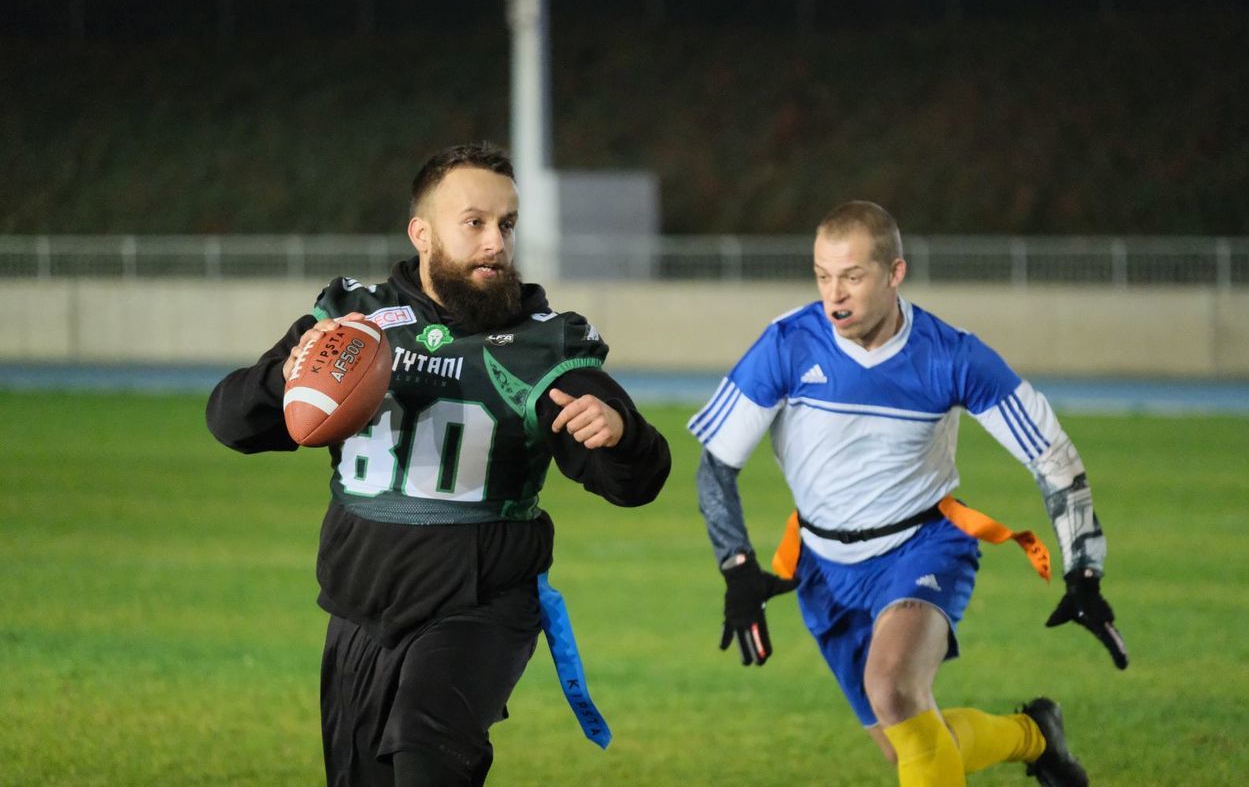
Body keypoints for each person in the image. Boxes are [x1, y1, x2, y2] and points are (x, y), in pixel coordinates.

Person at [206, 143, 671, 787]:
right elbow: (231, 423)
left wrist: (620, 436)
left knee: (429, 755)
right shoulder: (352, 321)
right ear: (421, 234)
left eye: (506, 224)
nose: (494, 243)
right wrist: (285, 377)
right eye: (474, 222)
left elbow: (637, 482)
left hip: (480, 600)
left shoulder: (544, 343)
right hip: (362, 602)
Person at [689, 201, 1126, 786]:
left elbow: (1051, 455)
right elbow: (715, 466)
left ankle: (1035, 736)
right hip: (822, 567)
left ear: (895, 273)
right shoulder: (788, 345)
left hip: (922, 548)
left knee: (893, 687)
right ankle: (1036, 736)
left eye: (852, 276)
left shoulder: (951, 355)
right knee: (908, 745)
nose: (834, 295)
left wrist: (1085, 570)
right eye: (822, 276)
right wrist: (737, 564)